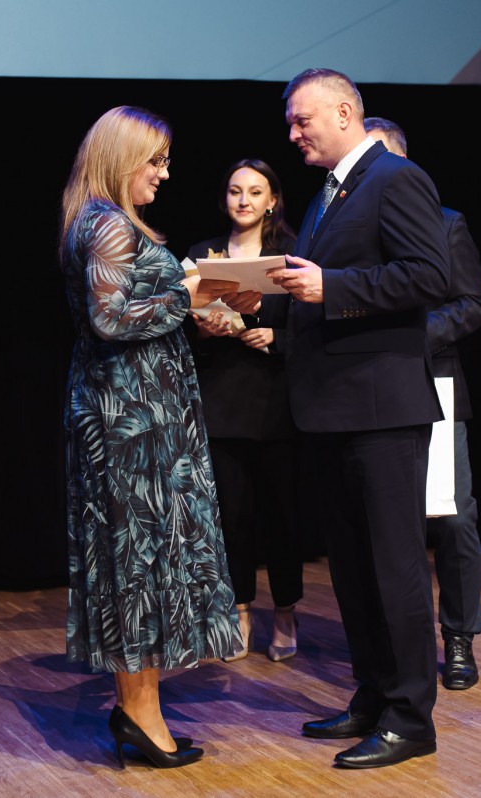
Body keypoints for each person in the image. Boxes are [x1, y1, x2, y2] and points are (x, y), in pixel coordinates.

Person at [251, 68, 450, 769]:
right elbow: (310, 292)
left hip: (382, 409)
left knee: (394, 567)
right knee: (355, 570)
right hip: (334, 410)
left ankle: (411, 718)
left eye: (301, 120)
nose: (293, 133)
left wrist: (330, 286)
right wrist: (254, 301)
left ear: (343, 112)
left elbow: (431, 276)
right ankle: (373, 695)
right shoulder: (330, 193)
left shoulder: (396, 178)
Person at [59, 106, 241, 769]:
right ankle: (140, 714)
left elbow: (131, 313)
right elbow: (110, 319)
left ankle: (136, 709)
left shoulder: (100, 220)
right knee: (135, 560)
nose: (164, 174)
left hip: (132, 409)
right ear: (121, 158)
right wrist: (190, 295)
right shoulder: (108, 223)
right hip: (129, 419)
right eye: (155, 161)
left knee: (135, 558)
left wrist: (197, 306)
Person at [363, 117, 481, 690]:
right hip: (370, 388)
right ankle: (392, 645)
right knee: (389, 524)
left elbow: (473, 304)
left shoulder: (445, 222)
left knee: (454, 516)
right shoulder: (349, 226)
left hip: (434, 380)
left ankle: (459, 636)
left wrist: (410, 336)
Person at [183, 158, 302, 662]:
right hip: (222, 401)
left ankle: (286, 612)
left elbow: (313, 327)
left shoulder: (292, 253)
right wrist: (202, 328)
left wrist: (278, 336)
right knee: (230, 515)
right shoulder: (202, 253)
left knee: (282, 516)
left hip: (276, 403)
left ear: (272, 200)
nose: (244, 200)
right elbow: (183, 324)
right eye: (235, 191)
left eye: (255, 192)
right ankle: (240, 611)